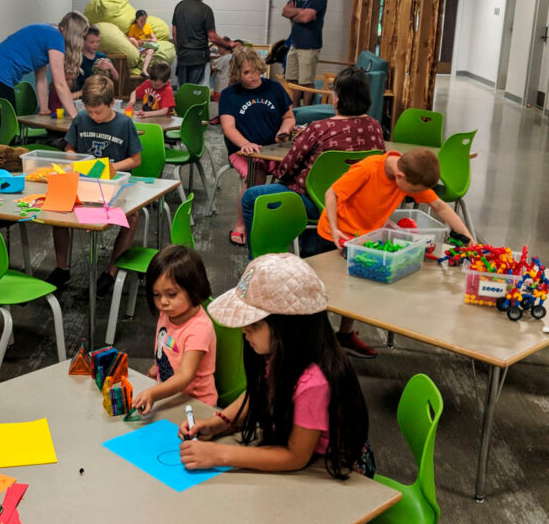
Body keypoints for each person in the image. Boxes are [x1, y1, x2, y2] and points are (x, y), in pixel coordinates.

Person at [180, 254, 375, 480]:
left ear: (289, 327)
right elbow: (259, 393)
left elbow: (295, 457)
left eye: (254, 325)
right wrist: (217, 424)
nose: (244, 331)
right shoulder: (282, 353)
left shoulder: (314, 382)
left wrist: (220, 454)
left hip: (333, 471)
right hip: (300, 453)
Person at [316, 149, 476, 357]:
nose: (413, 194)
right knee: (326, 294)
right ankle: (317, 345)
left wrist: (469, 238)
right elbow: (332, 193)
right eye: (412, 190)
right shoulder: (368, 168)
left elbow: (439, 205)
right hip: (336, 236)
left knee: (357, 289)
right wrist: (335, 228)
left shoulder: (409, 173)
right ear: (400, 177)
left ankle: (344, 336)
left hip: (364, 237)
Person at [240, 66, 386, 256]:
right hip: (356, 204)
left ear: (338, 98)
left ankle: (260, 258)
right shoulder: (375, 127)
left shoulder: (319, 128)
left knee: (251, 197)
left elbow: (287, 168)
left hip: (312, 202)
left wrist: (280, 173)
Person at [48, 75, 141, 296]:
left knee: (133, 215)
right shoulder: (81, 119)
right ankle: (62, 268)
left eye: (98, 112)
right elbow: (69, 148)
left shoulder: (124, 123)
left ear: (111, 104)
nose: (94, 117)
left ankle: (111, 271)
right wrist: (73, 157)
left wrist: (114, 167)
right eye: (90, 111)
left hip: (114, 184)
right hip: (85, 182)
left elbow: (136, 160)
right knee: (57, 208)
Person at [219, 48, 295, 247]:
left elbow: (288, 118)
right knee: (256, 173)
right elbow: (228, 127)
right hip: (241, 151)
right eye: (246, 73)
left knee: (293, 173)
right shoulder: (229, 95)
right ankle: (241, 225)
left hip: (273, 150)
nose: (252, 77)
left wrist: (283, 132)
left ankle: (276, 220)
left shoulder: (275, 89)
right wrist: (245, 144)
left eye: (255, 71)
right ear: (237, 73)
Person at [0, 12, 89, 145]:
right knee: (3, 128)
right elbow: (60, 83)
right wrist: (75, 116)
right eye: (82, 36)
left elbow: (41, 78)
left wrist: (44, 109)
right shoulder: (56, 37)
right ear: (74, 34)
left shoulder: (49, 33)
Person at [133, 245, 217, 413]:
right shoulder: (168, 314)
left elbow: (185, 376)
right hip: (170, 394)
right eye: (156, 295)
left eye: (171, 294)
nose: (163, 302)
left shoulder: (199, 329)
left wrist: (153, 393)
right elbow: (171, 348)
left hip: (196, 405)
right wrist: (156, 367)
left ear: (194, 288)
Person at [172, 0, 239, 86]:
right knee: (198, 93)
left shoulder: (180, 6)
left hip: (183, 56)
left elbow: (174, 32)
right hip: (199, 58)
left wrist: (178, 51)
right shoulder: (206, 10)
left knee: (183, 91)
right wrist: (228, 44)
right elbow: (212, 37)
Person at [282, 0, 328, 106]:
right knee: (291, 79)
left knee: (306, 82)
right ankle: (294, 109)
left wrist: (295, 13)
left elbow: (306, 18)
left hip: (309, 46)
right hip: (295, 44)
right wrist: (300, 12)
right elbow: (284, 11)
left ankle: (305, 111)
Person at [76, 26, 119, 92]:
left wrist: (111, 67)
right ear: (83, 41)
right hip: (85, 95)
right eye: (92, 42)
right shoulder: (79, 59)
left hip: (102, 95)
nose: (95, 45)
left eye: (98, 41)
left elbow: (116, 78)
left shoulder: (102, 57)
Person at [127, 9, 158, 78]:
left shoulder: (147, 26)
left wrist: (149, 40)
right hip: (136, 46)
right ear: (137, 20)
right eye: (141, 20)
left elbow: (155, 39)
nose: (143, 22)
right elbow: (129, 39)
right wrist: (139, 41)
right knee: (132, 39)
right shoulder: (133, 27)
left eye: (145, 20)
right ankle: (138, 52)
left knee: (151, 51)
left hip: (144, 47)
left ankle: (144, 70)